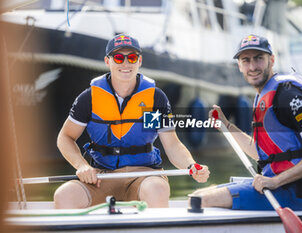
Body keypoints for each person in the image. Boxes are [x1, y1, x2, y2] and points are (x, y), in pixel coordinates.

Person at [54, 34, 210, 209]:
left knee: (157, 189)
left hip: (144, 176)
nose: (125, 64)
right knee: (64, 195)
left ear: (140, 61)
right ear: (107, 61)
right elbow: (65, 137)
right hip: (102, 176)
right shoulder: (89, 97)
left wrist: (192, 165)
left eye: (132, 57)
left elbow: (172, 145)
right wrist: (82, 166)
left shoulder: (154, 98)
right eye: (119, 58)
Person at [190, 35, 302, 211]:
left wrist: (275, 181)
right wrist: (226, 125)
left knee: (200, 201)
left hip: (294, 192)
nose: (252, 67)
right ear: (239, 66)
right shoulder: (263, 96)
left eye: (259, 58)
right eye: (246, 60)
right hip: (276, 186)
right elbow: (260, 153)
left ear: (272, 60)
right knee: (197, 195)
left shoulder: (287, 97)